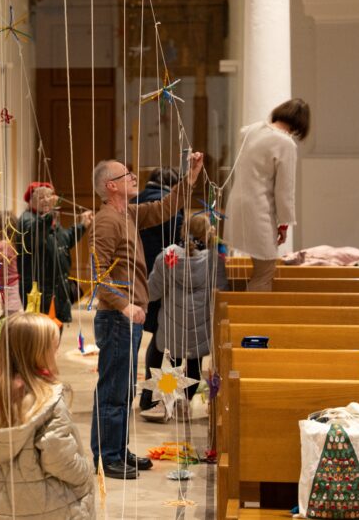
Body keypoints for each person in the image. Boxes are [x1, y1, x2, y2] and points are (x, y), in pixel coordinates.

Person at [89, 152, 203, 479]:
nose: (134, 176)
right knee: (113, 390)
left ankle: (117, 450)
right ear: (111, 186)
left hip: (129, 318)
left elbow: (165, 208)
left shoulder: (128, 213)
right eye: (126, 175)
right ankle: (108, 457)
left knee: (123, 390)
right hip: (117, 318)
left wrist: (190, 179)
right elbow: (98, 274)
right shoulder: (107, 219)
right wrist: (124, 304)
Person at [0, 313, 95, 519]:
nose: (58, 353)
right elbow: (59, 459)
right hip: (50, 507)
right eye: (54, 348)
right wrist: (85, 472)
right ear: (39, 354)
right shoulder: (48, 401)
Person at [145, 213, 228, 421]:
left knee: (170, 365)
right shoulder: (213, 260)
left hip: (172, 323)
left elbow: (153, 291)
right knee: (194, 365)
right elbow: (222, 290)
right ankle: (186, 403)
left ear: (183, 230)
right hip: (200, 326)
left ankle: (169, 402)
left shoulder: (168, 256)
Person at [225, 98, 310, 291]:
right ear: (300, 124)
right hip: (259, 208)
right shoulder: (285, 143)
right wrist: (284, 224)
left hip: (236, 204)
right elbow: (284, 189)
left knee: (258, 268)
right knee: (265, 270)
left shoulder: (250, 130)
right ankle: (252, 318)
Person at [134, 167, 184, 419]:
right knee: (165, 339)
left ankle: (140, 396)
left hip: (137, 275)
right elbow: (178, 240)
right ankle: (164, 399)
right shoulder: (173, 205)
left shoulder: (134, 201)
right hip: (166, 274)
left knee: (140, 336)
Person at [15, 182, 93, 326]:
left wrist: (82, 225)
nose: (47, 200)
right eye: (41, 197)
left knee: (55, 329)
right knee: (39, 332)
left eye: (49, 196)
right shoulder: (27, 220)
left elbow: (65, 240)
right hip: (38, 291)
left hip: (56, 290)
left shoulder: (48, 219)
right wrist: (50, 213)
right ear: (30, 201)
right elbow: (35, 234)